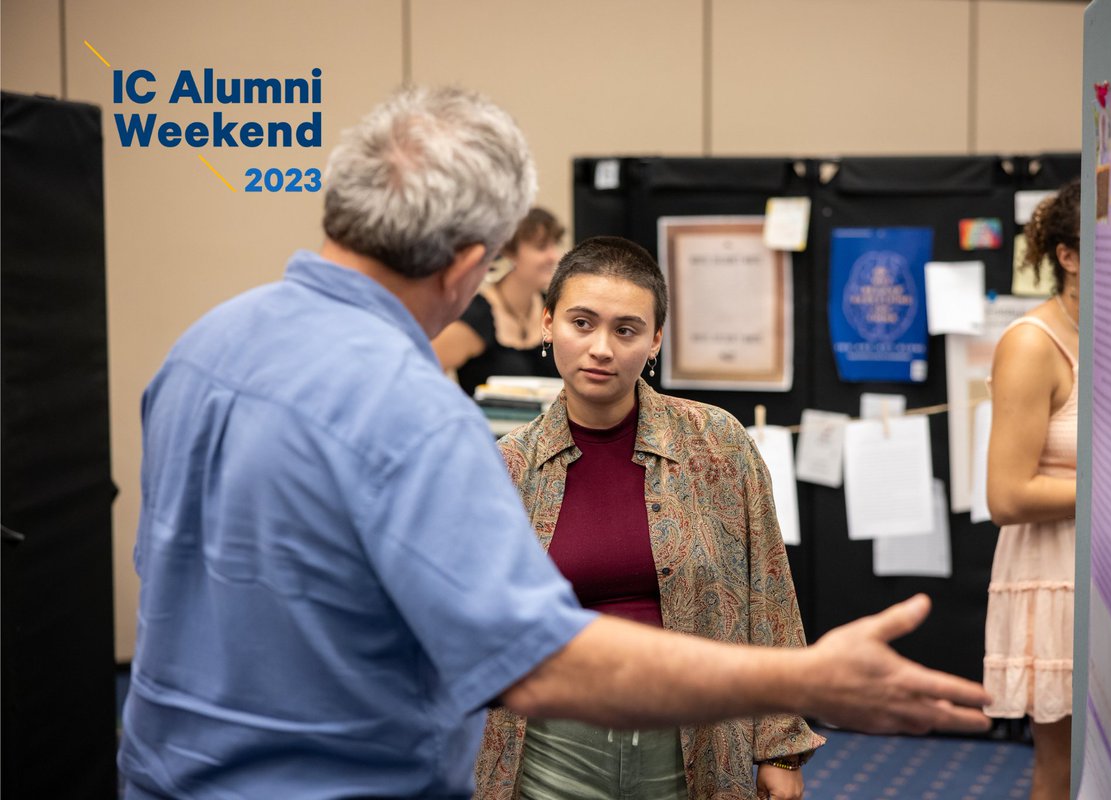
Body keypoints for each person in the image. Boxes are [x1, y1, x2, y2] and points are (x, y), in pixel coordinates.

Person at [119, 85, 990, 800]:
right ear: (469, 266)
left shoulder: (202, 348)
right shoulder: (418, 413)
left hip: (166, 773)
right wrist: (801, 682)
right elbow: (536, 664)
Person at [475, 236, 821, 800]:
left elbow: (770, 597)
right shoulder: (507, 468)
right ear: (547, 324)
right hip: (551, 744)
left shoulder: (717, 446)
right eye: (581, 323)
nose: (601, 348)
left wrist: (780, 745)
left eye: (626, 329)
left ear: (655, 339)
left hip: (694, 740)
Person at [984, 177, 1081, 800]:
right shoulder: (1030, 343)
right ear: (1067, 256)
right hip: (1056, 573)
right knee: (1065, 766)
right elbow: (1007, 496)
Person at [432, 207, 565, 394]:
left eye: (555, 244)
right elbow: (422, 373)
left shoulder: (556, 309)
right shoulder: (477, 316)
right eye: (541, 247)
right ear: (509, 253)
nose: (554, 256)